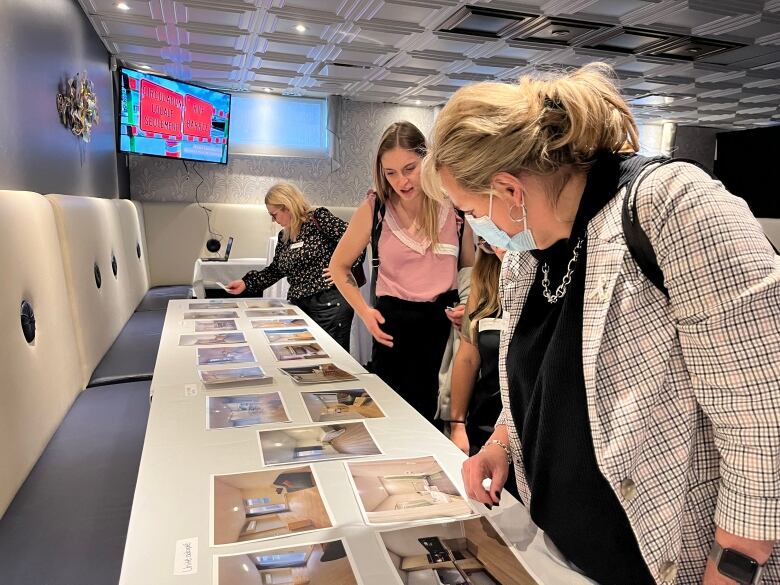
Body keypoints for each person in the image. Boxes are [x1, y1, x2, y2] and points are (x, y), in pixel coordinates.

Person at [423, 62, 779, 584]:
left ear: (509, 191)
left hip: (672, 563)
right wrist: (501, 441)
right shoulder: (529, 254)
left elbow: (763, 421)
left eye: (469, 210)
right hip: (558, 555)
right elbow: (544, 382)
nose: (475, 228)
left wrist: (733, 566)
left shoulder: (670, 205)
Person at [329, 121, 474, 423]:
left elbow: (469, 268)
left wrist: (468, 305)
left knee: (433, 419)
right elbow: (339, 267)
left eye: (409, 168)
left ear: (427, 160)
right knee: (391, 419)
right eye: (390, 173)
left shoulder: (454, 207)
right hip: (392, 331)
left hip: (441, 331)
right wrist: (364, 313)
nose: (401, 182)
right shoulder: (376, 208)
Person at [226, 182, 361, 351]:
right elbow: (275, 270)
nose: (274, 220)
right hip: (300, 306)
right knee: (304, 358)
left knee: (332, 359)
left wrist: (344, 268)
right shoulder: (285, 235)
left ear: (287, 207)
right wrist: (246, 283)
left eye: (274, 215)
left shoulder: (318, 218)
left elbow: (356, 239)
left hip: (330, 305)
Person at [449, 238, 506, 457]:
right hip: (485, 424)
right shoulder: (484, 282)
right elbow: (467, 358)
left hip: (530, 428)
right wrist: (457, 425)